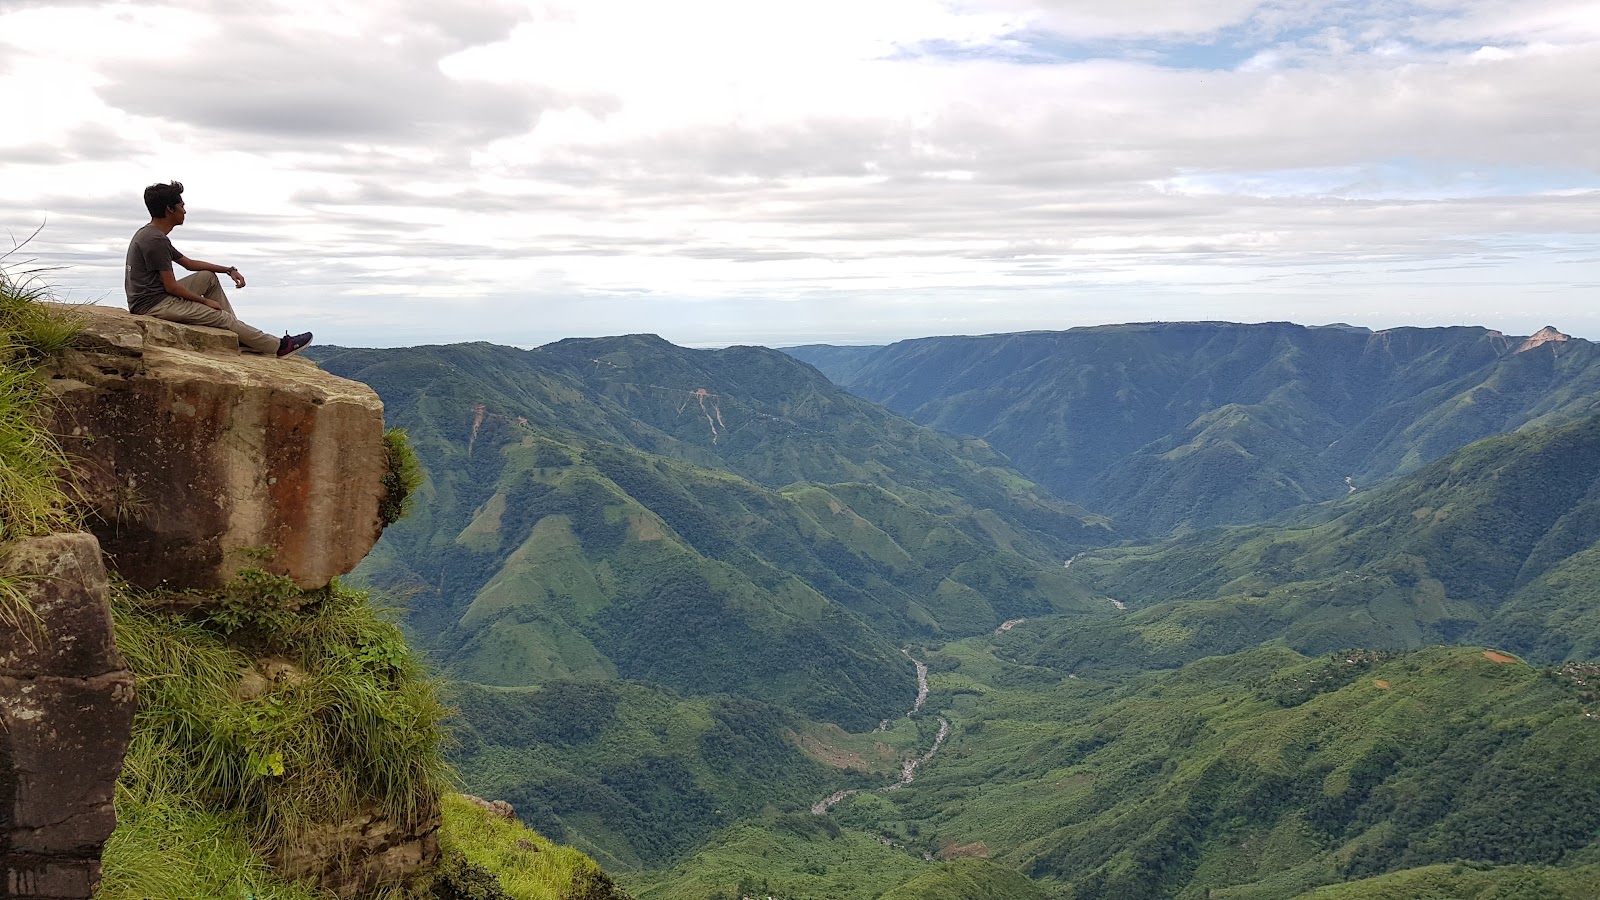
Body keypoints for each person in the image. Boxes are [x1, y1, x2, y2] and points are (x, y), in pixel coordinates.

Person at [124, 181, 312, 358]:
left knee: (208, 277)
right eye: (181, 205)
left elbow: (188, 263)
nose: (185, 210)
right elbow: (171, 287)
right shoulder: (155, 240)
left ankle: (240, 336)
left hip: (153, 298)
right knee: (222, 318)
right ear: (169, 209)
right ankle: (279, 347)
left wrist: (228, 270)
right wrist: (204, 303)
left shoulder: (151, 234)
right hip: (153, 305)